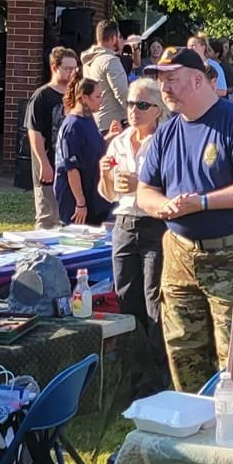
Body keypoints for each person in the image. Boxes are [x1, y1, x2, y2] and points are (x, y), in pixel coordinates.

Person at [136, 46, 233, 394]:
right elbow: (144, 191)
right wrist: (163, 207)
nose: (164, 88)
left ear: (198, 80)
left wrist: (202, 203)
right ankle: (194, 424)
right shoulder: (167, 132)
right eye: (160, 80)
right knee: (183, 349)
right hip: (179, 255)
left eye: (172, 79)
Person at [101, 77, 167, 394]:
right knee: (126, 297)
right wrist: (105, 173)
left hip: (155, 223)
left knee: (154, 300)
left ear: (158, 109)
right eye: (130, 103)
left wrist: (141, 182)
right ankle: (131, 374)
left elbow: (176, 185)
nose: (134, 110)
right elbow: (109, 193)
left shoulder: (167, 140)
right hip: (124, 222)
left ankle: (156, 380)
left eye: (142, 105)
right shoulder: (119, 141)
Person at [26, 47, 79, 228]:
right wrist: (44, 163)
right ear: (55, 68)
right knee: (48, 218)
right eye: (68, 68)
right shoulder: (42, 97)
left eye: (75, 68)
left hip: (70, 168)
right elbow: (35, 133)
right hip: (49, 165)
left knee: (68, 220)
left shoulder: (76, 96)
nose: (73, 72)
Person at [55, 78, 110, 226]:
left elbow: (92, 147)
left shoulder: (88, 118)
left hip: (93, 191)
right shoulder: (72, 126)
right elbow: (71, 168)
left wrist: (110, 136)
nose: (102, 100)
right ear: (84, 97)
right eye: (98, 96)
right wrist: (80, 203)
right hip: (75, 197)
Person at [83, 20, 132, 132]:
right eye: (119, 36)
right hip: (113, 124)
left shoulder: (89, 61)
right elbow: (123, 94)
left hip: (95, 120)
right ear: (113, 38)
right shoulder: (111, 61)